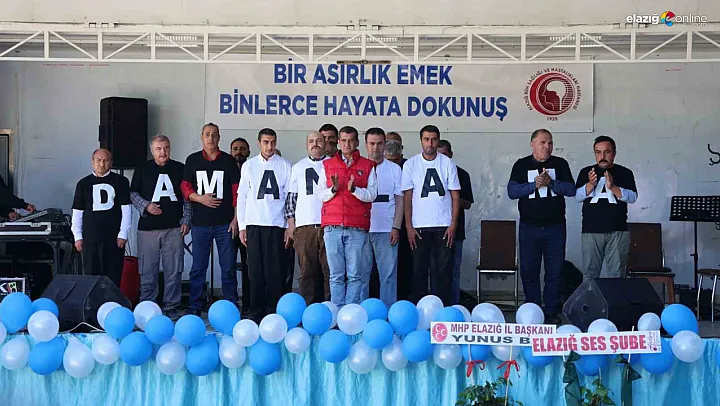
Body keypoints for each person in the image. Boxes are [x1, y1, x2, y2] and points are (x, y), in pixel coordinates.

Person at [507, 128, 576, 324]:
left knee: (555, 272)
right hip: (529, 228)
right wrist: (534, 185)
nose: (547, 146)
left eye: (550, 143)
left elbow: (571, 189)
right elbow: (512, 191)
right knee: (529, 271)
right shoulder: (521, 165)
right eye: (543, 142)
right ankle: (533, 311)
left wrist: (551, 183)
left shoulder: (560, 164)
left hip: (555, 228)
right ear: (532, 144)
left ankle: (551, 311)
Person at [129, 135, 191, 320]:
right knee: (147, 270)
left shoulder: (180, 168)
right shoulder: (142, 168)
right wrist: (146, 206)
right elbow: (132, 194)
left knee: (174, 270)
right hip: (148, 229)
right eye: (158, 148)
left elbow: (187, 196)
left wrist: (187, 219)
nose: (163, 152)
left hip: (174, 228)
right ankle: (148, 308)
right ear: (152, 150)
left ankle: (172, 307)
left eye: (166, 148)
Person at [181, 123, 239, 316]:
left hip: (225, 224)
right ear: (201, 137)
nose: (211, 138)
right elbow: (185, 188)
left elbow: (237, 192)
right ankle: (195, 306)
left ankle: (231, 306)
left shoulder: (229, 161)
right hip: (200, 224)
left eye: (214, 134)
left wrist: (236, 219)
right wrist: (200, 199)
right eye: (207, 134)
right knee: (198, 267)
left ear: (219, 137)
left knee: (228, 267)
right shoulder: (192, 160)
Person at [318, 125, 378, 306]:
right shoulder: (327, 164)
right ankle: (337, 313)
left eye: (351, 140)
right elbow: (320, 194)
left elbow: (372, 194)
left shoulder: (367, 165)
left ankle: (351, 312)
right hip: (332, 227)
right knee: (336, 275)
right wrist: (333, 189)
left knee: (354, 275)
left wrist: (354, 190)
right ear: (338, 141)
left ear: (357, 142)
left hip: (356, 227)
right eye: (343, 140)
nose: (347, 144)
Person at [237, 128, 292, 322]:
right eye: (266, 142)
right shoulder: (249, 165)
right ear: (259, 143)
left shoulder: (285, 165)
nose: (269, 146)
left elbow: (289, 198)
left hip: (276, 225)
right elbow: (242, 197)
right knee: (255, 271)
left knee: (275, 271)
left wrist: (289, 226)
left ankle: (274, 311)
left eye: (273, 142)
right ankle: (256, 311)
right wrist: (242, 226)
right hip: (254, 224)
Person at [402, 125, 460, 305]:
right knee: (418, 271)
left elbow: (455, 196)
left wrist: (453, 224)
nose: (430, 143)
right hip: (419, 226)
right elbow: (407, 197)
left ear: (438, 140)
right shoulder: (411, 164)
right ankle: (420, 310)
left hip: (443, 225)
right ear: (421, 140)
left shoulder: (447, 163)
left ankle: (443, 309)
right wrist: (408, 226)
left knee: (442, 271)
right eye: (427, 139)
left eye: (434, 139)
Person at [575, 135, 637, 280]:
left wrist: (612, 187)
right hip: (591, 231)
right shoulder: (586, 172)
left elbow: (632, 197)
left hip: (618, 231)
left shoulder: (625, 173)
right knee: (590, 275)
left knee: (617, 275)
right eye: (598, 152)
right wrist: (591, 184)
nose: (602, 156)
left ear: (614, 153)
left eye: (607, 152)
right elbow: (577, 197)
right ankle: (591, 297)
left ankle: (616, 297)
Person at [71, 148, 131, 287]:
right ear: (92, 162)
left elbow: (126, 209)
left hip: (113, 238)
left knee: (113, 275)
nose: (102, 164)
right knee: (90, 275)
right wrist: (77, 236)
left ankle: (112, 299)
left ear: (111, 162)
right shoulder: (83, 183)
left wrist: (123, 233)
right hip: (90, 237)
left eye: (106, 160)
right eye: (98, 160)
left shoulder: (121, 181)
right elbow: (78, 211)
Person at [284, 131, 330, 305]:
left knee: (330, 270)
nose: (315, 144)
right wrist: (291, 225)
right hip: (305, 226)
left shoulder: (333, 164)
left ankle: (330, 307)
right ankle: (308, 308)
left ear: (325, 143)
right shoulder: (298, 167)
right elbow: (291, 199)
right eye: (311, 141)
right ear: (306, 145)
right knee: (307, 271)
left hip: (329, 225)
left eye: (319, 140)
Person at [365, 127, 403, 308]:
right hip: (362, 230)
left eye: (379, 143)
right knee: (361, 276)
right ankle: (360, 314)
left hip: (387, 230)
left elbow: (400, 201)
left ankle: (388, 313)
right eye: (372, 143)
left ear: (385, 145)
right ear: (366, 145)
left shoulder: (395, 169)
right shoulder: (358, 167)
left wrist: (396, 227)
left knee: (388, 275)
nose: (375, 148)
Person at [437, 140, 474, 304]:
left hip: (456, 231)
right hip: (434, 230)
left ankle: (454, 305)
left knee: (454, 271)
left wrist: (451, 197)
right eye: (439, 154)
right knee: (435, 270)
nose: (442, 158)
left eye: (445, 154)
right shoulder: (427, 172)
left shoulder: (462, 174)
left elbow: (467, 203)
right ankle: (436, 305)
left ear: (451, 155)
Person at [230, 137, 251, 317]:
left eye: (242, 149)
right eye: (235, 148)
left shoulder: (252, 169)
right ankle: (231, 304)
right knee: (228, 265)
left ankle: (248, 303)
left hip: (248, 225)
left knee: (248, 266)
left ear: (249, 152)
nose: (239, 152)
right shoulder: (226, 169)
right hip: (228, 225)